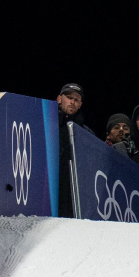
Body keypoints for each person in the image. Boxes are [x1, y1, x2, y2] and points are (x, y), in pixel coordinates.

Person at [55, 83, 88, 217]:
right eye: (69, 97)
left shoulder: (86, 134)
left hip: (74, 195)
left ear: (80, 104)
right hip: (49, 187)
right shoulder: (46, 124)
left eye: (76, 99)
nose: (72, 102)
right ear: (59, 99)